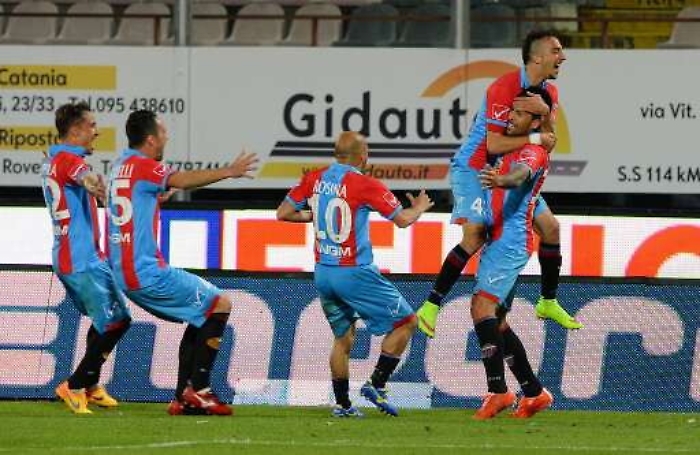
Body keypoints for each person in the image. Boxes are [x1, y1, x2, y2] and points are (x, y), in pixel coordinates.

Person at [417, 29, 582, 337]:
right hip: (475, 168)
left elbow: (549, 141)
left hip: (507, 170)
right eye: (556, 51)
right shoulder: (503, 87)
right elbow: (493, 144)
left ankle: (547, 301)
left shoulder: (549, 93)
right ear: (537, 58)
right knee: (476, 233)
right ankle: (430, 306)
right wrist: (536, 137)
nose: (563, 56)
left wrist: (545, 116)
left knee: (551, 228)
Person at [106, 110, 258, 416]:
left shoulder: (120, 166)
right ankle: (199, 390)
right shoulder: (146, 166)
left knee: (201, 313)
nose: (167, 137)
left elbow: (132, 202)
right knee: (219, 304)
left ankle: (183, 397)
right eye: (163, 132)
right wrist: (229, 171)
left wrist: (154, 198)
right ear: (151, 140)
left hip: (123, 270)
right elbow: (183, 179)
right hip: (145, 271)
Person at [276, 131, 433, 417]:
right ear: (363, 156)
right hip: (354, 272)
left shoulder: (313, 178)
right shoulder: (365, 184)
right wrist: (419, 207)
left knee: (343, 338)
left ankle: (343, 405)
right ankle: (377, 383)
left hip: (324, 272)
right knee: (407, 321)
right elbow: (402, 220)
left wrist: (312, 215)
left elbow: (283, 213)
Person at [40, 101, 131, 414]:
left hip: (76, 256)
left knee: (108, 319)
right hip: (81, 259)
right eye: (92, 125)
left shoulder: (55, 159)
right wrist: (104, 192)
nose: (97, 131)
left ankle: (89, 384)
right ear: (76, 130)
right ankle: (76, 384)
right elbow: (87, 179)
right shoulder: (69, 160)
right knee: (118, 320)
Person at [470, 87, 555, 420]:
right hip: (499, 238)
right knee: (498, 320)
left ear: (534, 121)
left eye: (519, 113)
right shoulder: (515, 143)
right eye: (512, 110)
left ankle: (499, 391)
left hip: (511, 241)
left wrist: (501, 180)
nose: (511, 117)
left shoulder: (533, 151)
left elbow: (520, 176)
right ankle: (534, 393)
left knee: (482, 308)